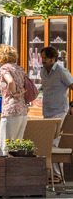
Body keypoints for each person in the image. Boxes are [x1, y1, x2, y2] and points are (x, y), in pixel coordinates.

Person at [40, 46, 73, 179]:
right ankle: (51, 174)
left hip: (59, 111)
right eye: (41, 58)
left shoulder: (61, 71)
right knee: (48, 143)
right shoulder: (42, 71)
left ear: (53, 59)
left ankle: (57, 176)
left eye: (45, 58)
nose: (42, 60)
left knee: (54, 144)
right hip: (46, 112)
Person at [0, 44, 28, 156]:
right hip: (22, 111)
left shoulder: (4, 68)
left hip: (10, 110)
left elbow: (11, 81)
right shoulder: (19, 68)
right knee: (17, 146)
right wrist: (1, 84)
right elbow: (18, 83)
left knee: (5, 146)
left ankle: (2, 171)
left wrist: (13, 92)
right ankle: (15, 171)